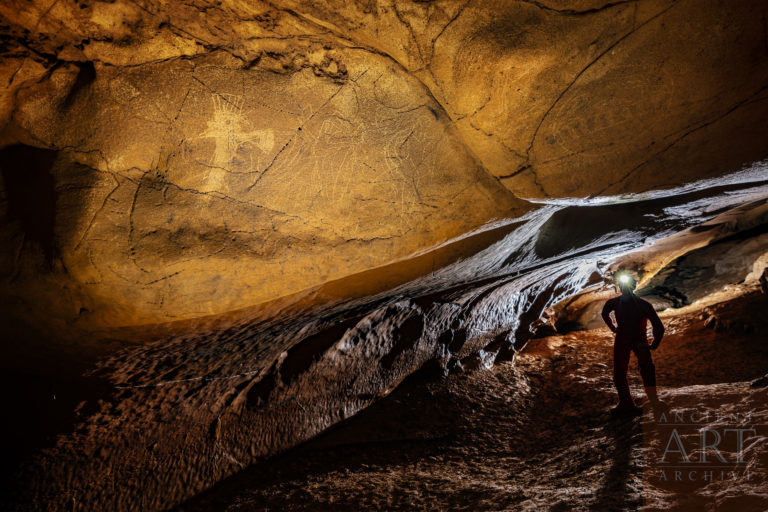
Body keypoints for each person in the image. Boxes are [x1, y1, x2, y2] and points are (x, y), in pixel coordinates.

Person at [601, 273, 664, 418]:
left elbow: (658, 326)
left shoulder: (625, 303)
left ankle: (640, 402)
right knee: (628, 370)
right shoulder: (642, 305)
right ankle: (631, 403)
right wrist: (654, 343)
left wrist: (655, 343)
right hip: (632, 339)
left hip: (631, 339)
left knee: (639, 369)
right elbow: (658, 326)